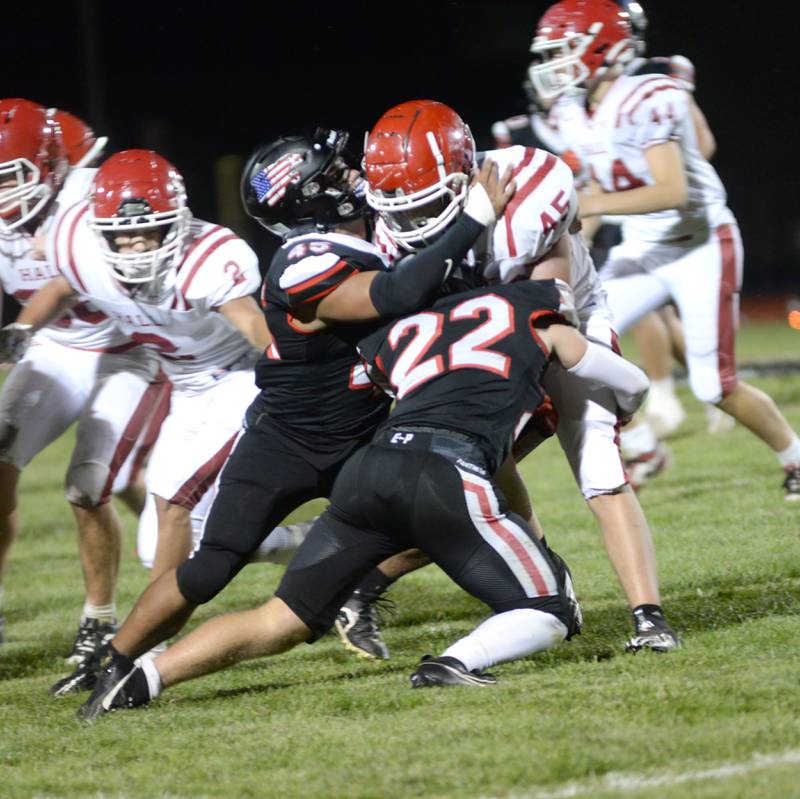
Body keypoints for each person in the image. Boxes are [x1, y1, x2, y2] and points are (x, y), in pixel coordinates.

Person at [47, 127, 515, 696]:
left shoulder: (371, 237)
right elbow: (394, 295)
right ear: (311, 199)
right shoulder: (304, 260)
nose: (352, 179)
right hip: (288, 442)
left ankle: (366, 595)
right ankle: (113, 659)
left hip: (366, 435)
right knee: (210, 567)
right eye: (335, 176)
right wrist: (475, 218)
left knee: (441, 520)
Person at [76, 276, 656, 720]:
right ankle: (453, 663)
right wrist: (628, 407)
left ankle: (146, 677)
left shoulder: (404, 331)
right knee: (549, 609)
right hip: (444, 476)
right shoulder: (539, 317)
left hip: (369, 470)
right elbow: (628, 380)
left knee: (282, 619)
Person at [365, 98, 678, 652]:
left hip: (566, 322)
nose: (410, 224)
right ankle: (547, 581)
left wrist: (610, 382)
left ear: (463, 177)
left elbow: (552, 313)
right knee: (469, 471)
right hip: (484, 341)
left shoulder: (532, 187)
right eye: (400, 209)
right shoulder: (395, 225)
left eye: (426, 206)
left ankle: (649, 617)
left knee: (599, 467)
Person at [6, 147, 300, 689]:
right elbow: (65, 282)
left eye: (149, 233)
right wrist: (25, 327)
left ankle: (144, 651)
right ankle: (310, 545)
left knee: (172, 503)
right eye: (121, 236)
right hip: (183, 385)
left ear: (179, 224)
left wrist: (299, 384)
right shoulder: (78, 242)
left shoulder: (211, 256)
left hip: (233, 376)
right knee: (162, 546)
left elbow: (257, 333)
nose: (135, 246)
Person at [529, 0, 800, 500]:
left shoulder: (648, 95)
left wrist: (593, 202)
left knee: (715, 386)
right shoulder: (570, 111)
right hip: (643, 249)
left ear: (602, 48)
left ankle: (795, 456)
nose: (554, 64)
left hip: (699, 245)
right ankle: (645, 444)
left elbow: (672, 190)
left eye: (564, 50)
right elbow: (591, 185)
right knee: (568, 350)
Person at [0, 99, 168, 656]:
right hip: (55, 347)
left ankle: (99, 619)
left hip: (127, 349)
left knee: (88, 486)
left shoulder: (93, 194)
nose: (4, 194)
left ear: (50, 165)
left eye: (12, 177)